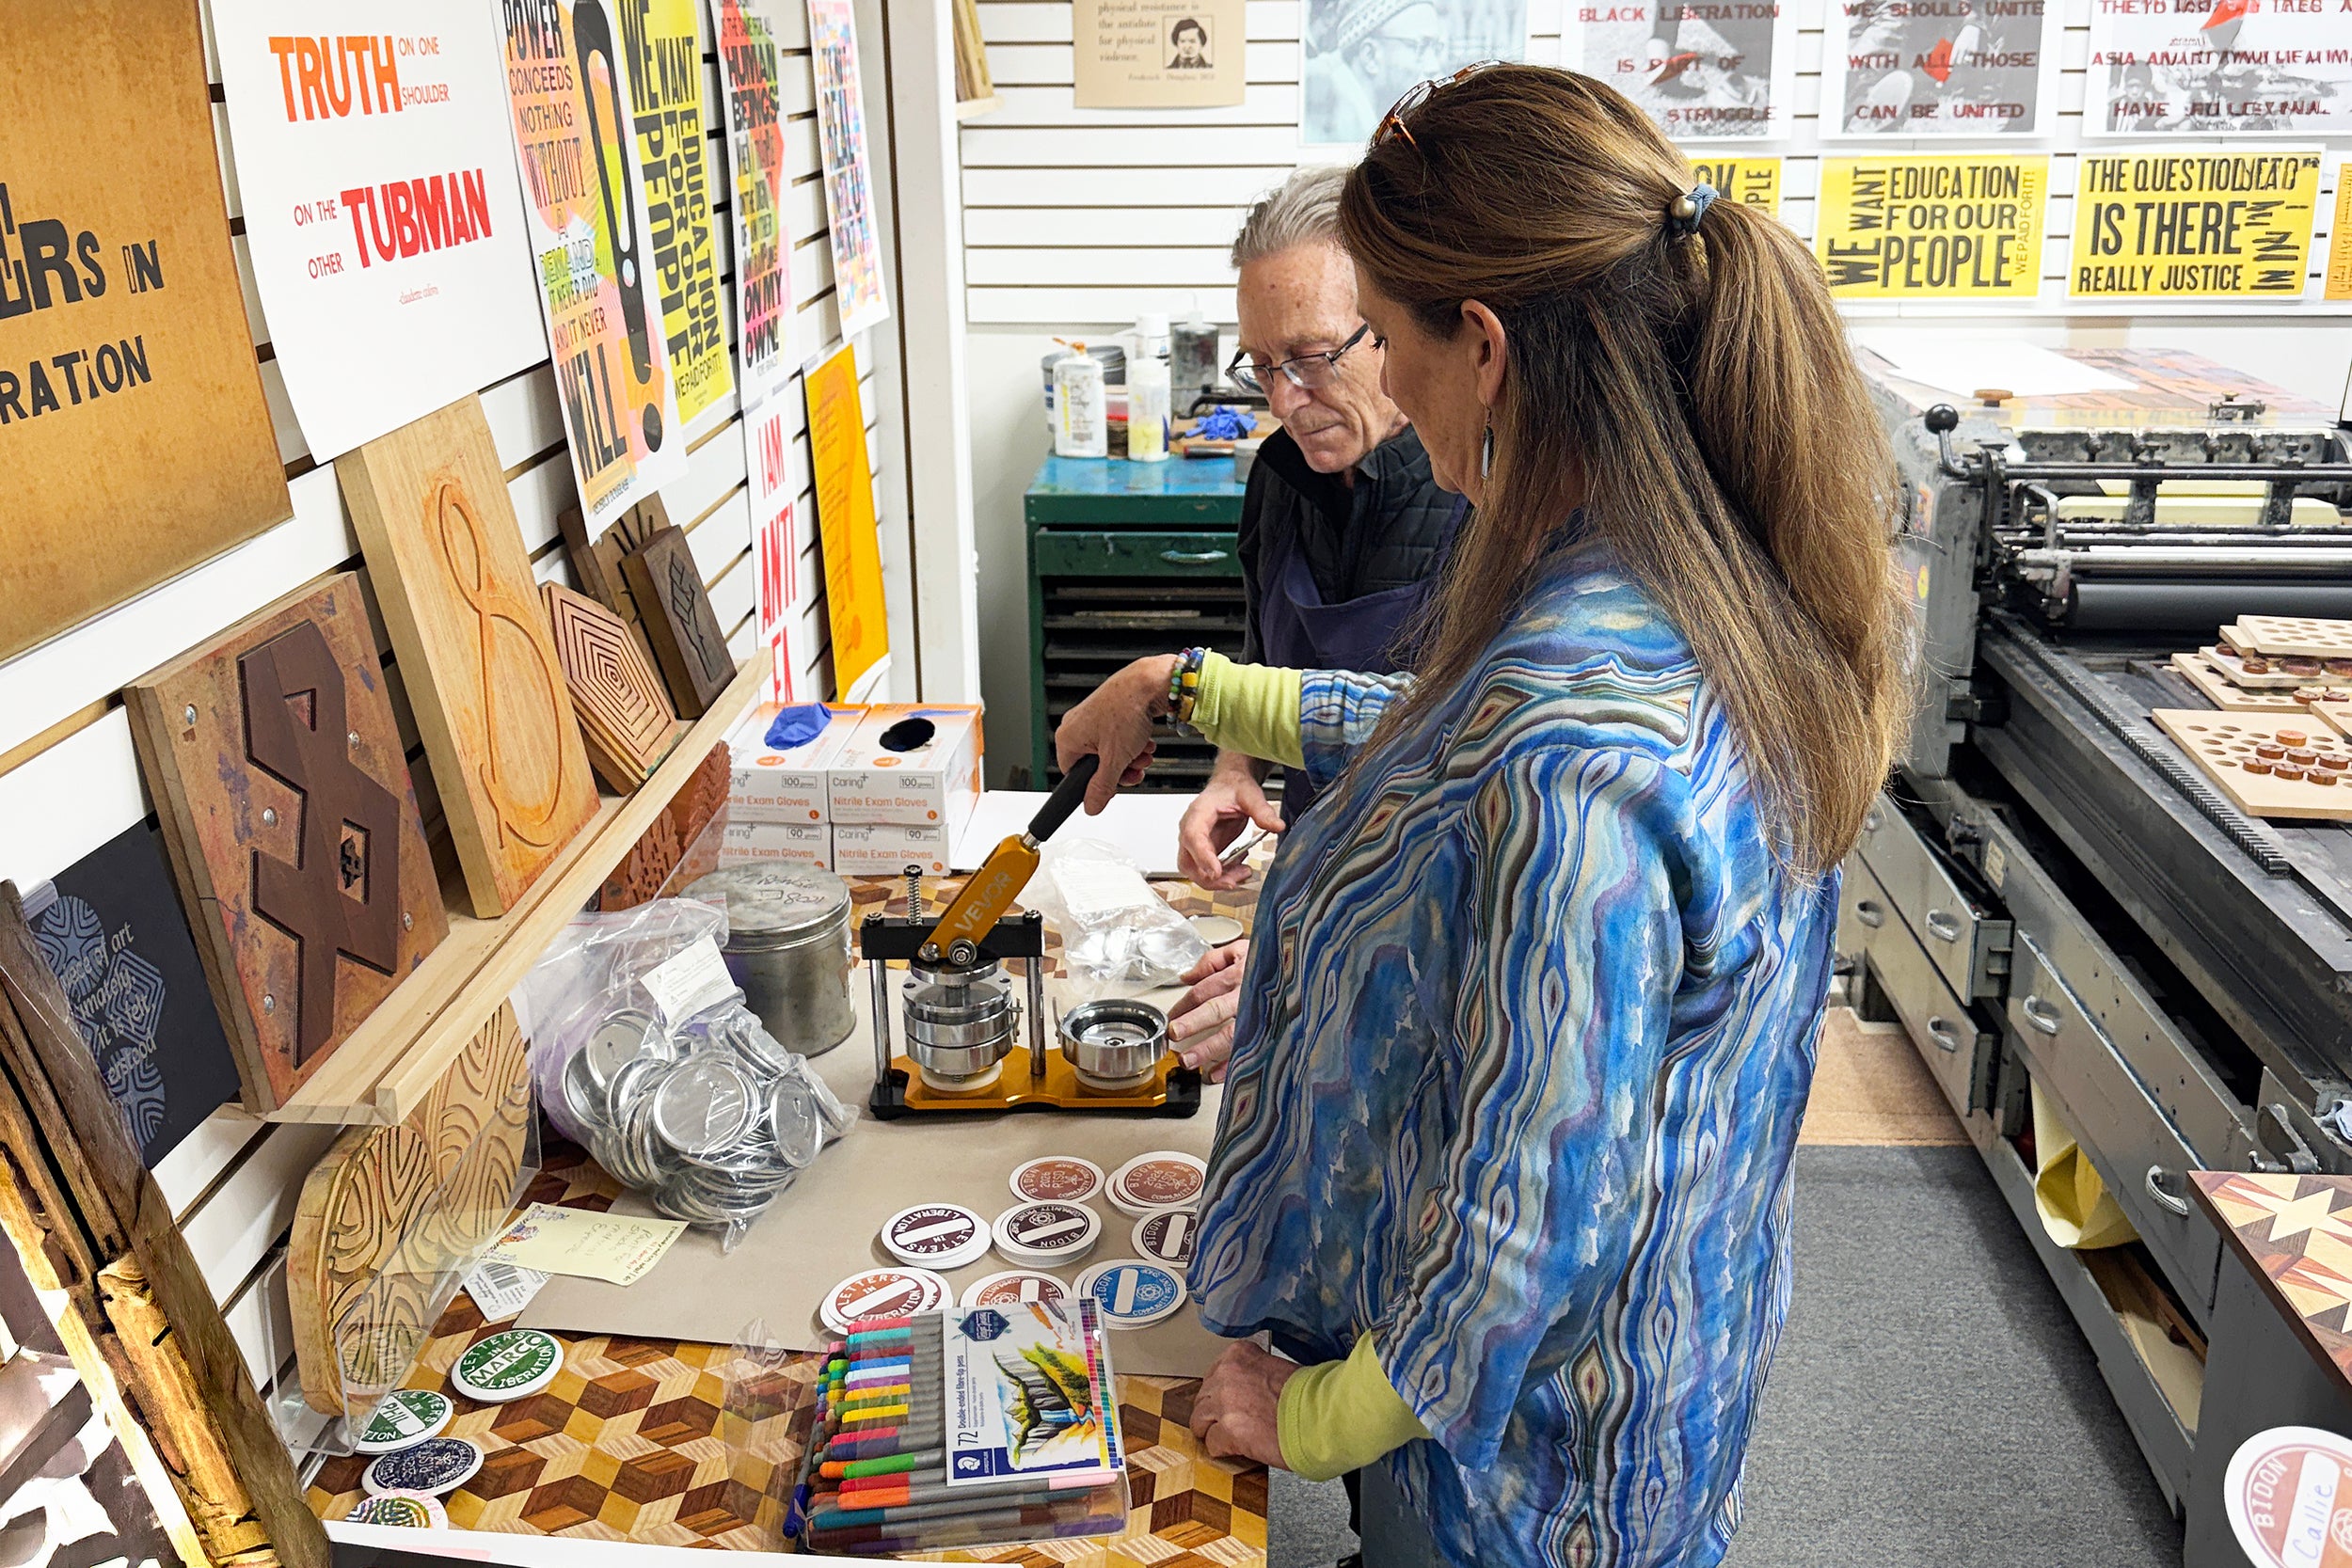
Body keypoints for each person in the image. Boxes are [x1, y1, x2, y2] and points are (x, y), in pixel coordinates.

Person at [1052, 63, 1910, 1568]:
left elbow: (1528, 1234)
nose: (1362, 376)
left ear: (1487, 348)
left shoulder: (1571, 750)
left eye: (1379, 334)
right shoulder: (1674, 579)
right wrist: (1194, 687)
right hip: (1673, 1338)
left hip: (1526, 1465)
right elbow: (1447, 739)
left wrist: (1302, 1417)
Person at [1181, 166, 1460, 889]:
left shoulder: (1478, 492)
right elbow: (1264, 660)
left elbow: (1467, 757)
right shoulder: (1278, 477)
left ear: (1388, 327)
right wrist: (1234, 770)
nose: (1285, 397)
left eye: (1310, 358)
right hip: (1302, 865)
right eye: (1263, 367)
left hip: (1429, 894)